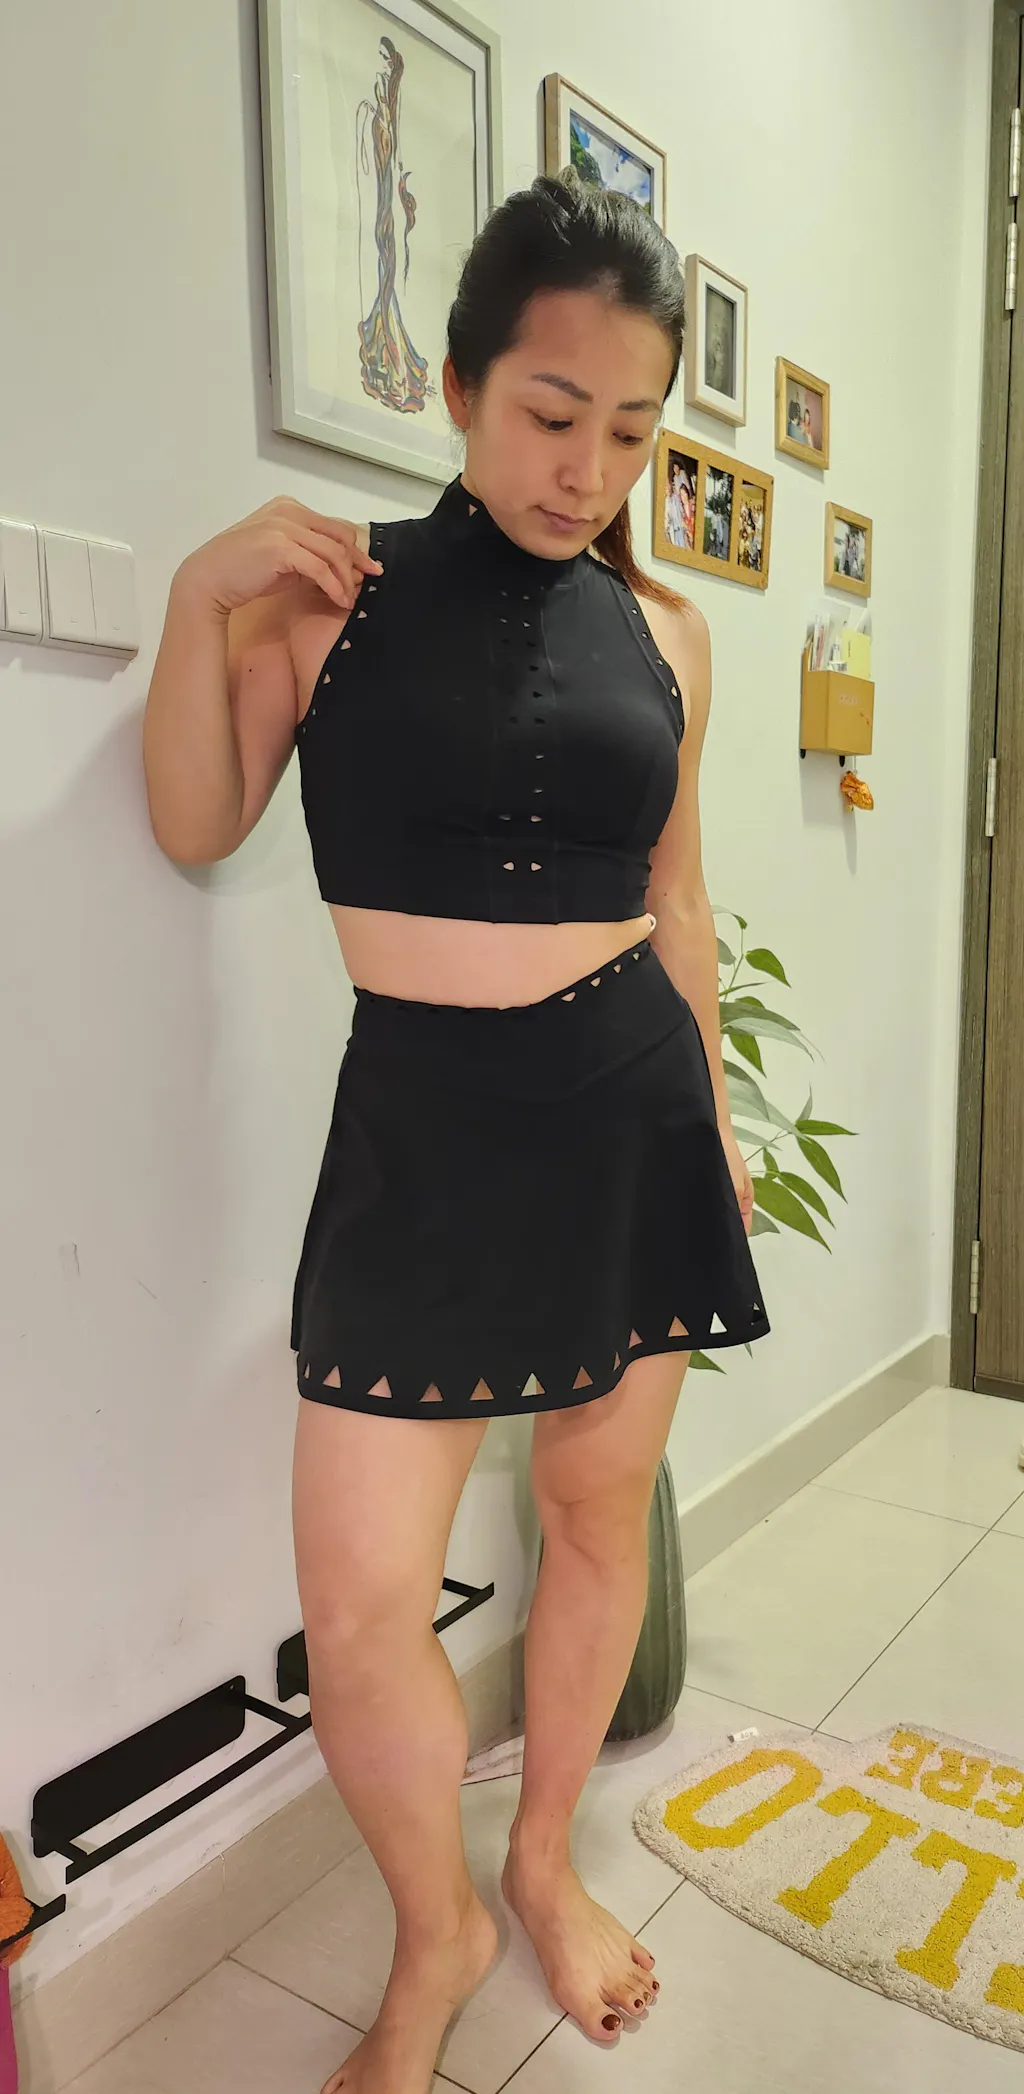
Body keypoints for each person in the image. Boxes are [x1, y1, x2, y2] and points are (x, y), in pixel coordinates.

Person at [143, 169, 770, 2094]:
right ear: (459, 384)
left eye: (633, 432)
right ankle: (439, 1929)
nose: (590, 470)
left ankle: (541, 1862)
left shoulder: (670, 637)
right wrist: (193, 597)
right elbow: (195, 821)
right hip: (417, 1123)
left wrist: (718, 1120)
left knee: (592, 1520)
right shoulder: (325, 598)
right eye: (553, 413)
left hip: (628, 1112)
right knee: (358, 1605)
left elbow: (679, 904)